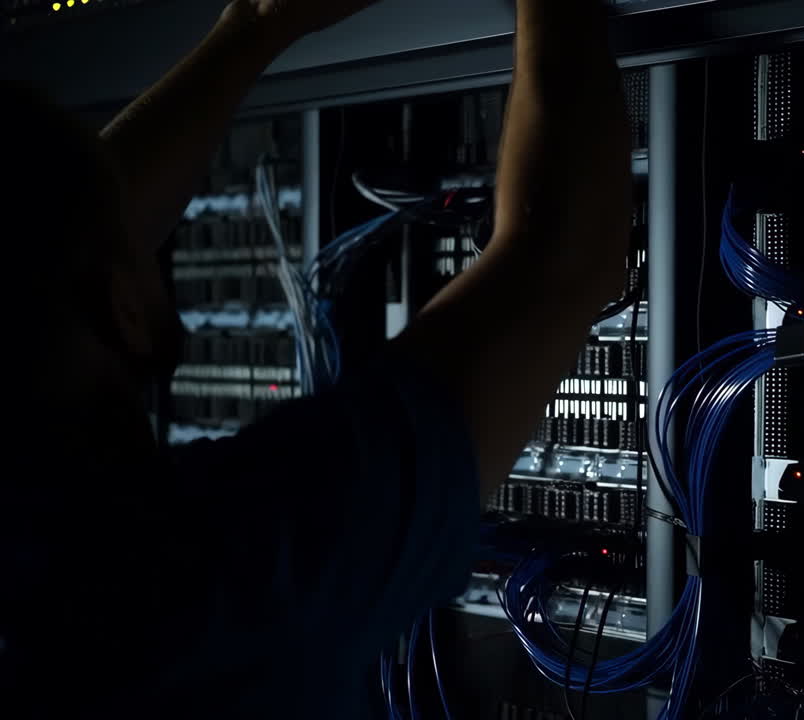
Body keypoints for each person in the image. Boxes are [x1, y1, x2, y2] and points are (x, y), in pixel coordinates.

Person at [0, 0, 632, 717]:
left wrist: (254, 28)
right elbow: (562, 255)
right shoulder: (196, 582)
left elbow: (45, 253)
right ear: (121, 308)